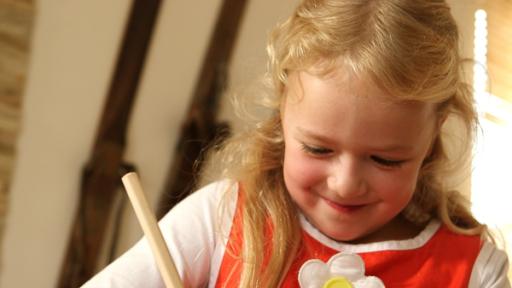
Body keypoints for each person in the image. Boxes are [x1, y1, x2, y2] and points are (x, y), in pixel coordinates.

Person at [83, 0, 511, 287]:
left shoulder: (473, 272)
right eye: (319, 149)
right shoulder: (221, 221)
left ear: (434, 132)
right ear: (283, 112)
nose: (345, 184)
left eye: (385, 159)